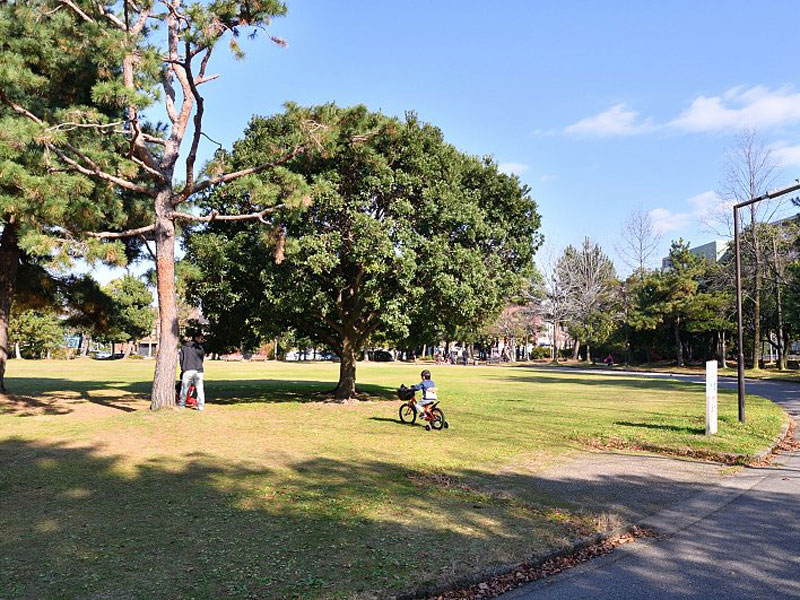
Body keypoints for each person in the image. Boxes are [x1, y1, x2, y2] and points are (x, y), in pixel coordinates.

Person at [179, 332, 206, 410]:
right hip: (198, 370)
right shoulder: (200, 348)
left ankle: (182, 404)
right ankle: (201, 406)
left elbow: (181, 359)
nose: (202, 340)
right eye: (200, 338)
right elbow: (201, 359)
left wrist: (183, 368)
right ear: (196, 338)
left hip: (187, 369)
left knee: (184, 388)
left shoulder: (184, 347)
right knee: (200, 389)